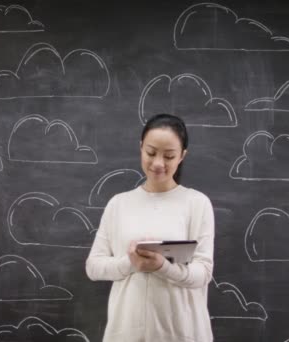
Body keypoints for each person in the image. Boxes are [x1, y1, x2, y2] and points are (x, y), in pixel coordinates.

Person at [86, 113, 215, 342]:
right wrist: (131, 263)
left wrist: (163, 267)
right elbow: (93, 267)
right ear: (141, 148)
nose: (158, 163)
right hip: (126, 332)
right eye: (151, 152)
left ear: (182, 155)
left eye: (169, 156)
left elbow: (203, 272)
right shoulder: (119, 204)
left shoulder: (197, 203)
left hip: (182, 333)